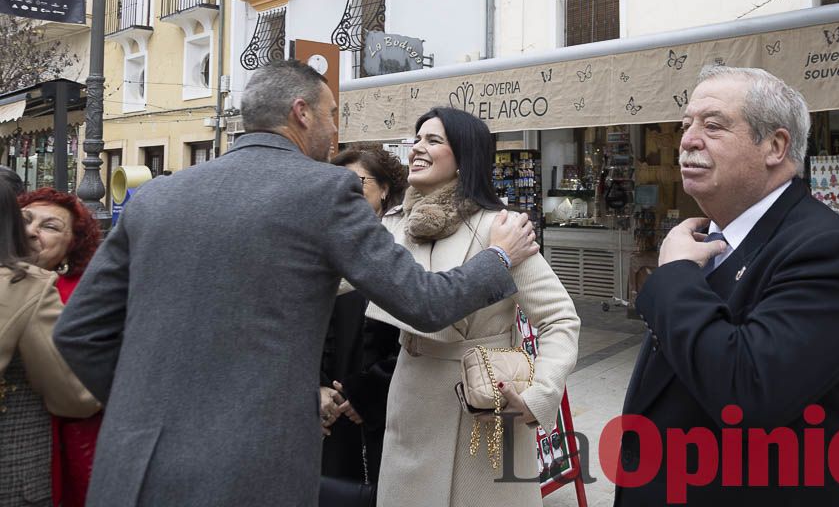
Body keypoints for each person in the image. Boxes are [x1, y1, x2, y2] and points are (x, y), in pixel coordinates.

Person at [53, 60, 540, 507]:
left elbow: (77, 333)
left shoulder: (158, 195)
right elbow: (425, 302)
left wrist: (150, 408)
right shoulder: (325, 191)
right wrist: (498, 257)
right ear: (301, 112)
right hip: (251, 471)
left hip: (130, 466)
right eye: (332, 114)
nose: (335, 129)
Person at [616, 65, 839, 507]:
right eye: (686, 125)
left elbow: (748, 393)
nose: (688, 139)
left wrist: (676, 275)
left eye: (713, 125)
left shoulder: (829, 248)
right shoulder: (708, 239)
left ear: (775, 146)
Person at [372, 107, 580, 507]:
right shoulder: (395, 225)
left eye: (433, 140)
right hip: (410, 396)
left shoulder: (499, 228)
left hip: (483, 406)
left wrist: (540, 393)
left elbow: (559, 319)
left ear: (465, 157)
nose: (417, 148)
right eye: (416, 139)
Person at [0, 178, 100, 507]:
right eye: (24, 219)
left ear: (70, 249)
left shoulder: (87, 303)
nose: (31, 232)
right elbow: (77, 397)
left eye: (50, 227)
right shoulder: (27, 286)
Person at [320, 144, 407, 494]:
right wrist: (318, 386)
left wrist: (366, 394)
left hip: (378, 406)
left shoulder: (401, 249)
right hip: (325, 405)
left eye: (358, 181)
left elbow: (409, 339)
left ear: (384, 189)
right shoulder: (320, 247)